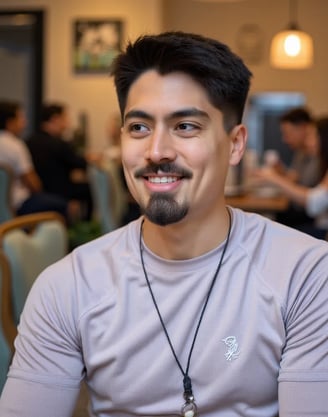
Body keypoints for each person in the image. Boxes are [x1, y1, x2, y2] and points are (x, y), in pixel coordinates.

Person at [0, 32, 328, 417]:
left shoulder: (306, 274)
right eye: (138, 127)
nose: (156, 152)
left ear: (236, 144)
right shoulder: (68, 287)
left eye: (186, 126)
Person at [255, 116, 328, 239]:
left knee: (273, 234)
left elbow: (314, 203)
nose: (308, 141)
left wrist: (274, 178)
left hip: (322, 229)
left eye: (313, 136)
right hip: (319, 225)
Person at [0, 100, 70, 221]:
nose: (25, 122)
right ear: (10, 122)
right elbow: (32, 182)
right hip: (17, 204)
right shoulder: (15, 145)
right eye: (21, 118)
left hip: (5, 207)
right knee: (60, 204)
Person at [26, 103, 94, 221]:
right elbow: (79, 163)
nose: (67, 123)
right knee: (90, 189)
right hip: (61, 191)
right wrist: (90, 159)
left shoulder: (29, 141)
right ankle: (86, 226)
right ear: (55, 119)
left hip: (38, 192)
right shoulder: (58, 143)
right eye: (65, 118)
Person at [273, 107, 321, 228]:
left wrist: (273, 178)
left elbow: (313, 199)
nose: (284, 139)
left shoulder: (319, 155)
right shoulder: (301, 152)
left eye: (288, 134)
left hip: (312, 217)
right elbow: (296, 178)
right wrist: (282, 173)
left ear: (304, 128)